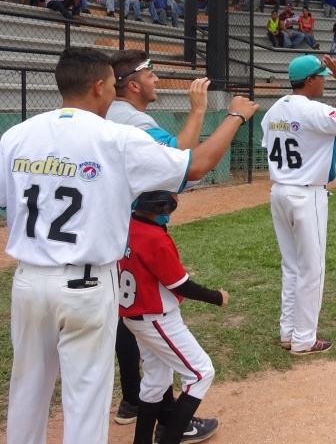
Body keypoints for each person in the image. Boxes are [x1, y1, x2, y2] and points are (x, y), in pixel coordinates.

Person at [1, 46, 257, 444]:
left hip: (28, 279)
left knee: (27, 391)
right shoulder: (116, 137)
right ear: (99, 86)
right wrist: (236, 115)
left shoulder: (16, 135)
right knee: (85, 398)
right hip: (86, 284)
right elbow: (196, 165)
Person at [106, 49, 257, 435]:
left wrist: (197, 111)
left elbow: (173, 156)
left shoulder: (121, 115)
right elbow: (191, 166)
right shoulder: (130, 122)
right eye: (152, 74)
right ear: (133, 84)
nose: (158, 80)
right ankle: (168, 424)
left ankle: (135, 403)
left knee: (136, 331)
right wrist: (235, 116)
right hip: (130, 234)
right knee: (170, 347)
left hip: (117, 235)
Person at [261, 54, 336, 355]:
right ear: (310, 80)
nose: (325, 79)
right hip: (306, 194)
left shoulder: (275, 110)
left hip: (280, 191)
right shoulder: (313, 110)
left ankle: (289, 332)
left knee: (292, 266)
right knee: (312, 269)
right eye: (321, 76)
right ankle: (304, 339)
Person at [120, 191, 227, 444]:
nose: (175, 199)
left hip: (134, 318)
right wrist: (217, 297)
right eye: (171, 197)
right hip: (157, 319)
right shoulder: (155, 238)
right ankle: (171, 438)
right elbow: (181, 285)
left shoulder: (127, 226)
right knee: (201, 373)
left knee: (156, 380)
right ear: (163, 206)